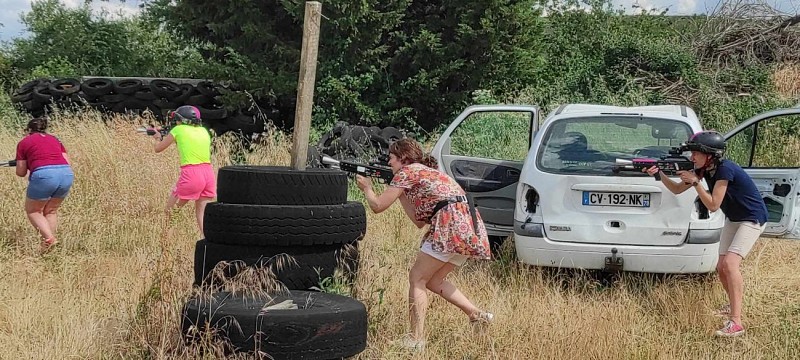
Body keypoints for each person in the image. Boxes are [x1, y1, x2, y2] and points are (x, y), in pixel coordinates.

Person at [354, 138, 493, 351]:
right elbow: (419, 222)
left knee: (417, 278)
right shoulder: (424, 172)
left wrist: (367, 188)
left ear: (403, 158)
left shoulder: (407, 172)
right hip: (469, 225)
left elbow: (377, 206)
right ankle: (477, 315)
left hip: (451, 224)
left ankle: (416, 340)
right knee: (433, 280)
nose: (389, 163)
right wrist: (400, 193)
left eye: (391, 158)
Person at [644, 130, 767, 338]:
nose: (692, 157)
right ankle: (733, 306)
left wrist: (695, 183)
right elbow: (675, 189)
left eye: (696, 153)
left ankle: (736, 322)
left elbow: (712, 205)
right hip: (735, 218)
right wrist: (658, 174)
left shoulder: (725, 169)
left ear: (709, 155)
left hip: (752, 218)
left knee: (730, 264)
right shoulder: (703, 169)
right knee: (720, 267)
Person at [14, 117, 74, 254]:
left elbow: (20, 172)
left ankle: (50, 239)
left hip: (45, 175)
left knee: (33, 211)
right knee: (51, 211)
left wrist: (28, 162)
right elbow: (66, 161)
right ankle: (48, 250)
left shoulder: (24, 142)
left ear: (29, 130)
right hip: (66, 174)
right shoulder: (55, 139)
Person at [153, 105, 216, 235]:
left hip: (191, 174)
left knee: (170, 211)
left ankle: (166, 244)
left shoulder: (178, 130)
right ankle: (208, 244)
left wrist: (158, 137)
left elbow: (158, 149)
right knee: (201, 214)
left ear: (181, 120)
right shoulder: (204, 131)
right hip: (208, 173)